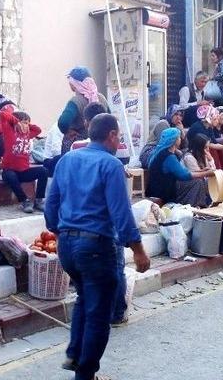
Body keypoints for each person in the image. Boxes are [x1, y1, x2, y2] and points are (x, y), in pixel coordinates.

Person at [44, 113, 149, 380]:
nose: (120, 141)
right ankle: (85, 374)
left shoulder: (67, 160)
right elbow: (121, 213)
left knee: (84, 298)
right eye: (119, 136)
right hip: (95, 247)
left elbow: (51, 206)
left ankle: (75, 354)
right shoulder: (111, 165)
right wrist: (138, 250)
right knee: (99, 314)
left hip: (66, 245)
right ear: (112, 135)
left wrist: (63, 233)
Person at [0, 110, 47, 213]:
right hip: (10, 171)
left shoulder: (28, 134)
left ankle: (39, 200)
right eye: (24, 122)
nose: (26, 125)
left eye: (27, 123)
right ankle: (24, 201)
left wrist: (26, 125)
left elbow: (38, 130)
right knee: (10, 175)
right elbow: (3, 114)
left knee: (43, 171)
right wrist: (16, 122)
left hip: (23, 172)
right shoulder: (9, 130)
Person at [145, 128, 213, 205]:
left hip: (160, 187)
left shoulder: (164, 153)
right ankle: (194, 206)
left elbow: (183, 171)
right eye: (179, 137)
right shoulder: (168, 156)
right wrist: (205, 173)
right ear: (175, 140)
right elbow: (184, 175)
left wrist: (202, 171)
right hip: (161, 191)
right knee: (197, 182)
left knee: (198, 180)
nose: (180, 139)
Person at [57, 67, 110, 152]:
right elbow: (109, 119)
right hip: (100, 145)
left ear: (74, 83)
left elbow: (63, 122)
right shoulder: (101, 98)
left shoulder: (76, 101)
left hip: (78, 146)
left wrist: (68, 131)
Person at [186, 105, 223, 183]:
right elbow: (207, 145)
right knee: (214, 150)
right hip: (194, 150)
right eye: (214, 118)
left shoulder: (208, 126)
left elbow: (213, 142)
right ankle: (218, 178)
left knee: (220, 150)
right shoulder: (198, 127)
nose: (216, 120)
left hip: (203, 148)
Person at [178, 133, 223, 207]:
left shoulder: (203, 155)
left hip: (202, 180)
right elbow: (199, 176)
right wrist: (207, 171)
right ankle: (203, 205)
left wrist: (211, 160)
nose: (208, 150)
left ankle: (213, 205)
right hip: (189, 184)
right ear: (199, 147)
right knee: (201, 182)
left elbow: (213, 171)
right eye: (205, 147)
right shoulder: (189, 157)